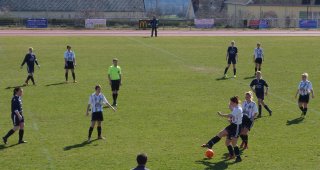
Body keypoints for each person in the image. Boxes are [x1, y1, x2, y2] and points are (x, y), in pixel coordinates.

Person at [201, 96, 243, 162]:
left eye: (231, 102)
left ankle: (238, 157)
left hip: (237, 127)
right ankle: (210, 144)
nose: (230, 103)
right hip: (232, 125)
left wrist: (221, 115)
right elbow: (232, 111)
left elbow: (230, 115)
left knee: (234, 143)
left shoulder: (238, 109)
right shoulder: (235, 107)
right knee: (223, 136)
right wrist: (230, 107)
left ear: (234, 102)